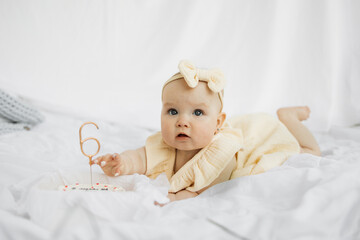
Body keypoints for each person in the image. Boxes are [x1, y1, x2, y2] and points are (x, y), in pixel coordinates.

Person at [92, 60, 321, 203]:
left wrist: (172, 198)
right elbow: (142, 156)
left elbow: (205, 188)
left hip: (260, 136)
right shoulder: (165, 143)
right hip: (240, 126)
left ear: (218, 123)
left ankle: (288, 118)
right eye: (172, 111)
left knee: (310, 154)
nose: (182, 121)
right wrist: (121, 162)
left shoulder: (221, 153)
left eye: (198, 113)